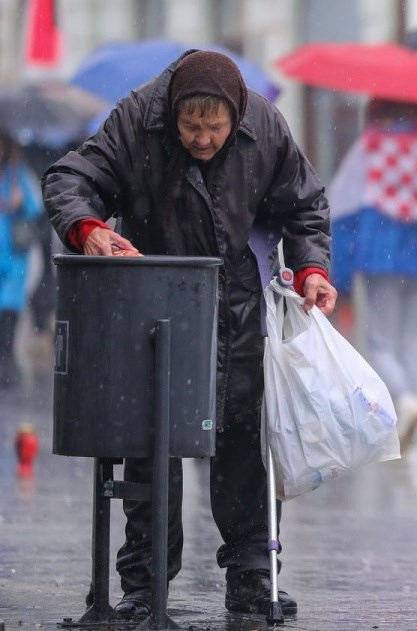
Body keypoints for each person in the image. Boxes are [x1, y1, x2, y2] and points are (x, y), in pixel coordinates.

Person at [43, 51, 337, 620]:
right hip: (151, 304)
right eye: (191, 126)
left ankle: (252, 575)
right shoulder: (137, 120)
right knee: (151, 445)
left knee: (243, 441)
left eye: (214, 128)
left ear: (236, 117)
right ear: (173, 114)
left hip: (236, 306)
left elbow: (305, 207)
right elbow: (69, 178)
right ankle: (143, 585)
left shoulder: (264, 126)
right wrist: (87, 228)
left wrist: (312, 270)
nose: (202, 139)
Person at [327, 99, 417, 452]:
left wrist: (341, 262)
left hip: (379, 255)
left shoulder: (370, 147)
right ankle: (412, 404)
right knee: (412, 336)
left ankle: (404, 401)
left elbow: (341, 202)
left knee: (380, 339)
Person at [0, 132, 44, 388]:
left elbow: (36, 207)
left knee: (8, 315)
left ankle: (7, 368)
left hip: (14, 255)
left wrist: (20, 202)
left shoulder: (18, 174)